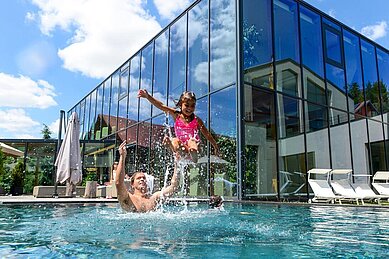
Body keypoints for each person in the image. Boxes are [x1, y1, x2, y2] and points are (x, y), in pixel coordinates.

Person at [138, 89, 219, 163]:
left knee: (192, 141)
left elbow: (207, 134)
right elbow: (161, 106)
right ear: (181, 104)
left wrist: (215, 146)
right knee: (175, 140)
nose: (190, 108)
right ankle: (171, 146)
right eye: (187, 105)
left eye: (192, 106)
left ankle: (193, 154)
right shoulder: (176, 115)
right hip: (182, 148)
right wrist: (148, 97)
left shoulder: (196, 119)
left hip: (194, 146)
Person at [115, 141, 179, 212]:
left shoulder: (154, 198)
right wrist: (122, 157)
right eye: (138, 178)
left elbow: (173, 187)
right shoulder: (128, 198)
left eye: (144, 178)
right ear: (132, 184)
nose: (142, 179)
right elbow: (118, 183)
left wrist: (177, 163)